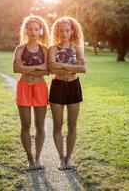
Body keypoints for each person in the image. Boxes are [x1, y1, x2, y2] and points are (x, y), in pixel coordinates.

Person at [48, 16, 86, 170]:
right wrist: (72, 66)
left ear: (71, 31)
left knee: (72, 124)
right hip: (57, 86)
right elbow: (51, 69)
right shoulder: (52, 49)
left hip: (73, 86)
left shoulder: (77, 49)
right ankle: (60, 159)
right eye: (61, 30)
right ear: (57, 32)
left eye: (67, 30)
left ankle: (68, 158)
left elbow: (83, 69)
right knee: (58, 124)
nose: (64, 33)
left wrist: (61, 65)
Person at [13, 15, 50, 170]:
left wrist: (27, 68)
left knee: (40, 125)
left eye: (36, 29)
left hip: (40, 88)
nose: (33, 31)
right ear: (25, 30)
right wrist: (37, 68)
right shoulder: (20, 49)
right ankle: (29, 158)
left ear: (40, 31)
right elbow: (16, 69)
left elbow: (48, 70)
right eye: (30, 29)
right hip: (24, 87)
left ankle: (38, 157)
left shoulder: (45, 50)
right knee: (26, 124)